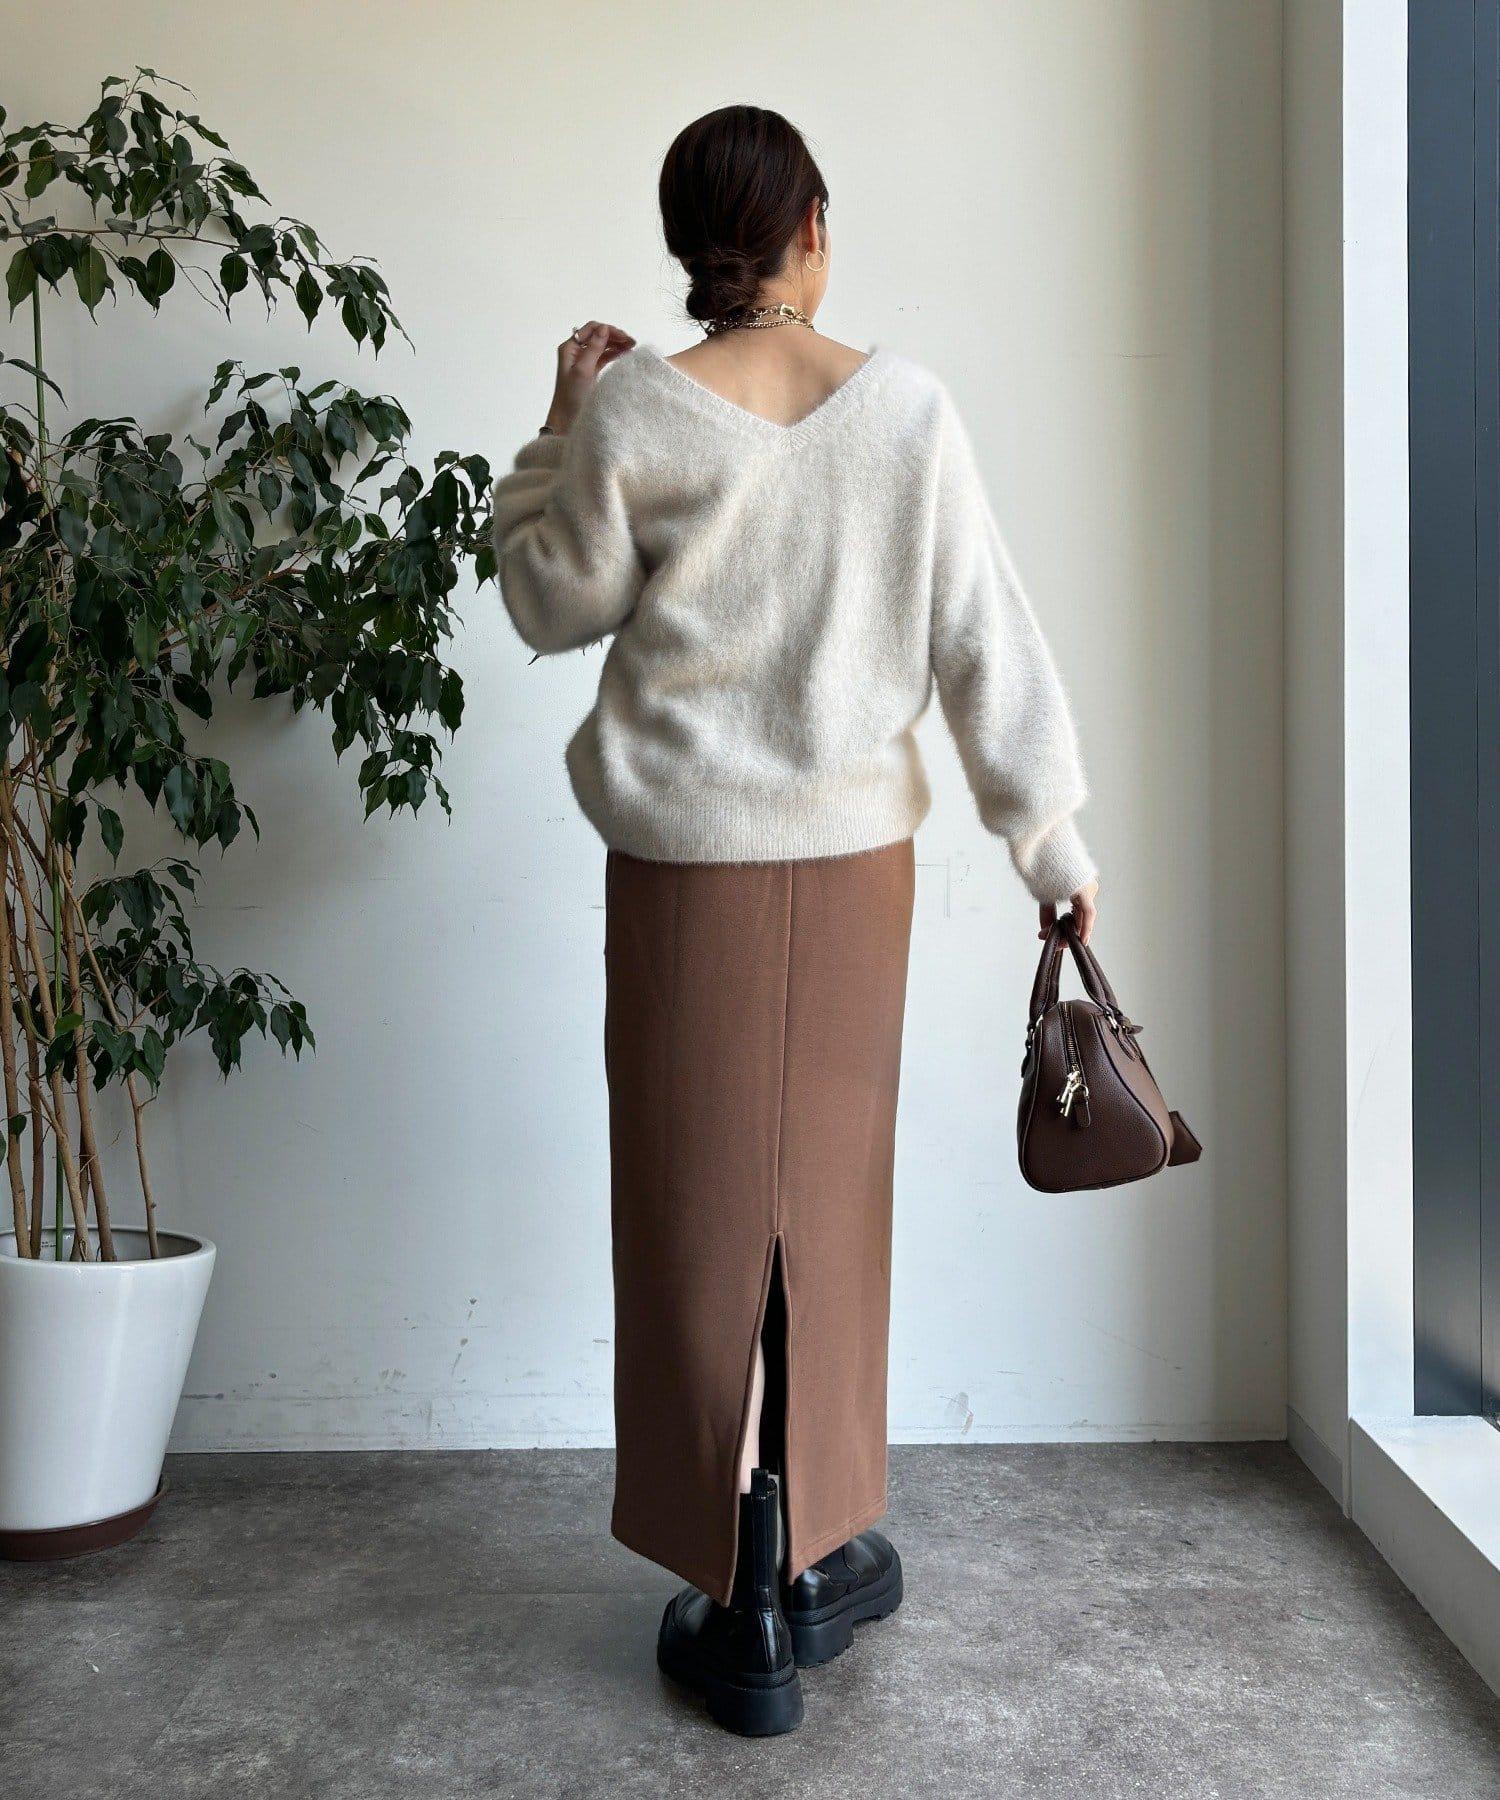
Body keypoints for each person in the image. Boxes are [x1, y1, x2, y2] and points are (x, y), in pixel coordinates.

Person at [493, 103, 1098, 1738]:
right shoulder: (905, 412)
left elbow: (547, 601)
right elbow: (987, 641)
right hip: (848, 882)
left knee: (690, 1206)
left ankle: (738, 1586)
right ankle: (810, 1542)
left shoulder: (637, 406)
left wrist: (558, 426)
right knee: (827, 1207)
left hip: (680, 877)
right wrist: (1049, 841)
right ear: (812, 227)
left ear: (688, 245)